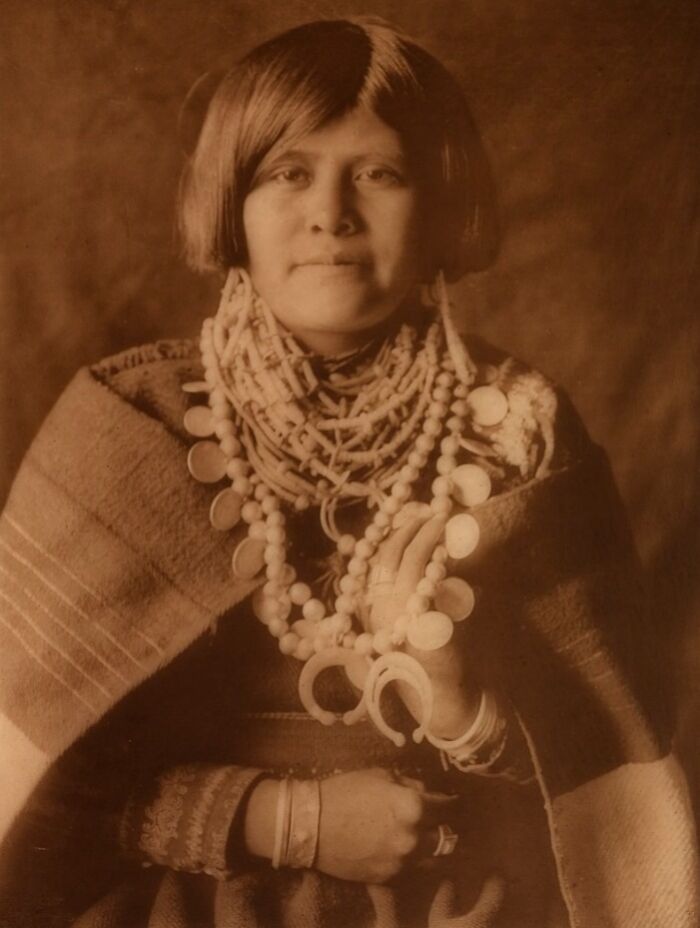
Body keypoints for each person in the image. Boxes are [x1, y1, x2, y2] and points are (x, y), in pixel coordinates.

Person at [0, 16, 696, 928]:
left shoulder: (518, 436)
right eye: (288, 172)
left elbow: (606, 791)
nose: (331, 211)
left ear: (444, 203)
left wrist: (464, 716)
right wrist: (288, 822)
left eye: (379, 172)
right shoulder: (130, 424)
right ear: (231, 205)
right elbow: (41, 792)